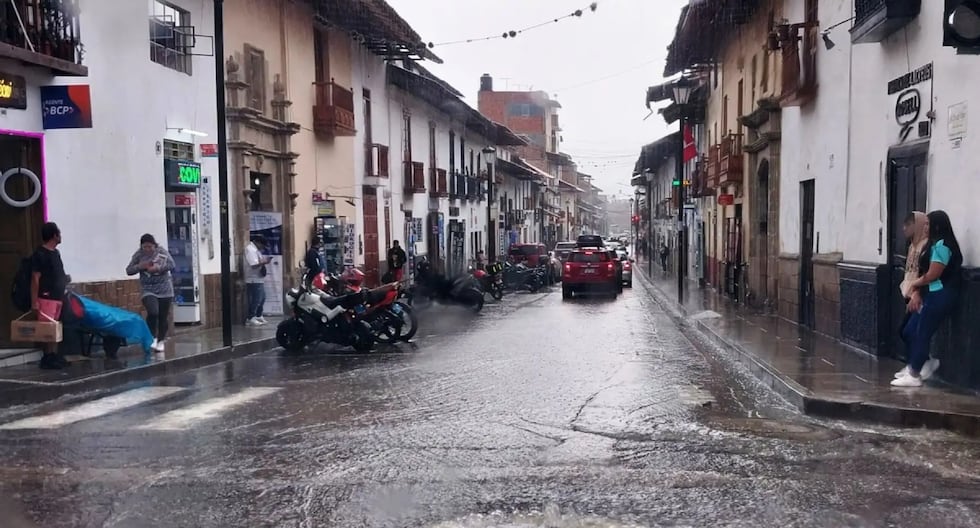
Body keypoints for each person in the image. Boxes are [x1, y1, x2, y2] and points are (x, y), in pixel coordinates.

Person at [892, 210, 963, 387]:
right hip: (930, 293)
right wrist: (917, 290)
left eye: (928, 224)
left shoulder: (942, 246)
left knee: (922, 331)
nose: (925, 227)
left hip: (940, 294)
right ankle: (921, 362)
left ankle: (914, 373)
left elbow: (932, 274)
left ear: (937, 226)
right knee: (909, 330)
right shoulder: (932, 245)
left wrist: (915, 284)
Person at [125, 234, 175, 353]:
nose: (147, 249)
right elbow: (129, 270)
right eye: (145, 247)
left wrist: (158, 268)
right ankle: (152, 336)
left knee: (163, 316)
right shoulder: (139, 255)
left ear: (154, 245)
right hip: (148, 288)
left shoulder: (161, 252)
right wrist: (140, 266)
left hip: (164, 288)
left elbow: (172, 265)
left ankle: (161, 340)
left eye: (150, 247)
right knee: (153, 312)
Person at [30, 222, 69, 369]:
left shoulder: (55, 253)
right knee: (47, 328)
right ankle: (47, 356)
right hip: (46, 297)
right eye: (59, 233)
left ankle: (54, 354)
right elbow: (35, 278)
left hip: (57, 296)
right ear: (54, 235)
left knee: (55, 327)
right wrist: (34, 301)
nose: (60, 236)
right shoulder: (40, 254)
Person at [244, 234, 271, 326]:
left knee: (262, 298)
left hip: (258, 278)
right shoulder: (250, 250)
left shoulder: (256, 250)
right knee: (256, 299)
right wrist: (264, 262)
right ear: (257, 242)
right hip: (253, 279)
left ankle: (259, 315)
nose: (263, 248)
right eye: (262, 245)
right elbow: (253, 264)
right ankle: (251, 317)